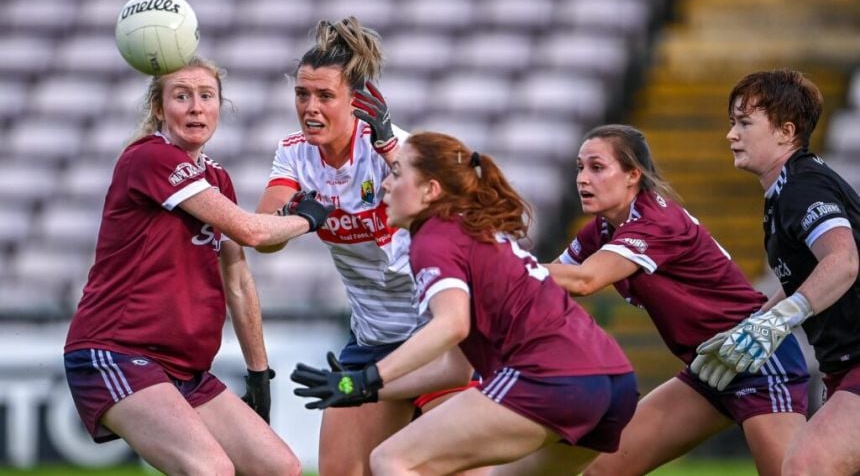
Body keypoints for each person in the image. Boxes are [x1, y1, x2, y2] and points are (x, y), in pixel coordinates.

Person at [289, 131, 639, 475]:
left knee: (392, 460)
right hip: (614, 382)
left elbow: (451, 324)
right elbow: (454, 371)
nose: (385, 185)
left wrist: (369, 376)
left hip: (553, 378)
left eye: (396, 174)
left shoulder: (433, 239)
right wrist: (360, 390)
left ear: (431, 190)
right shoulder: (470, 230)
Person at [64, 57, 332, 476]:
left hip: (183, 368)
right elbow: (252, 232)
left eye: (206, 96)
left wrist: (259, 374)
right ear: (159, 109)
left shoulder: (215, 179)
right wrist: (310, 218)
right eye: (181, 96)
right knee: (210, 470)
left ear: (218, 108)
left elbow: (238, 278)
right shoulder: (150, 158)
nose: (195, 107)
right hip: (117, 351)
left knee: (279, 467)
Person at [512, 124, 808, 476]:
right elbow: (545, 282)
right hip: (709, 367)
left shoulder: (656, 222)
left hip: (757, 359)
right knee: (600, 471)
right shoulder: (603, 229)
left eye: (596, 167)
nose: (582, 179)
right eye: (579, 167)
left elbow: (584, 280)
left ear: (632, 175)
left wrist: (495, 262)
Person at [255, 17, 474, 475]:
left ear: (356, 103)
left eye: (324, 96)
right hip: (372, 337)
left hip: (433, 334)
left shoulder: (396, 148)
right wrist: (302, 219)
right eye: (302, 94)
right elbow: (264, 234)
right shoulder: (295, 153)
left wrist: (391, 148)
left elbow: (452, 218)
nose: (310, 107)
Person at [694, 68, 860, 475]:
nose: (731, 135)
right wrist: (757, 324)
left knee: (805, 467)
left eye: (744, 123)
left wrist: (780, 321)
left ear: (786, 132)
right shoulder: (786, 191)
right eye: (733, 123)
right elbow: (809, 278)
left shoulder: (802, 187)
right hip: (843, 365)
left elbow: (843, 261)